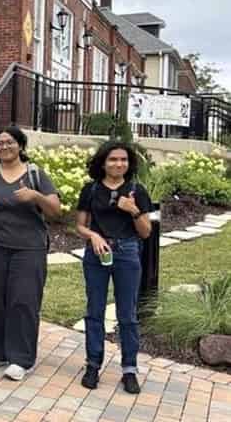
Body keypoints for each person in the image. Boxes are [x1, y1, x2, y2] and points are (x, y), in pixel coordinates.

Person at [0, 127, 61, 381]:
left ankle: (21, 358)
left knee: (23, 301)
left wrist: (35, 196)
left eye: (10, 142)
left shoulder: (36, 175)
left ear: (20, 146)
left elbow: (55, 209)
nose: (4, 147)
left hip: (28, 248)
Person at [76, 141, 152, 394]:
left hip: (127, 253)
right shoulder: (91, 189)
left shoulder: (136, 191)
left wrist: (133, 210)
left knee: (127, 314)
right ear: (103, 162)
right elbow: (80, 226)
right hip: (96, 253)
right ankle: (93, 364)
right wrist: (93, 236)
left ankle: (129, 369)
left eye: (123, 160)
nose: (118, 164)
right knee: (94, 310)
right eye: (113, 159)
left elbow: (146, 231)